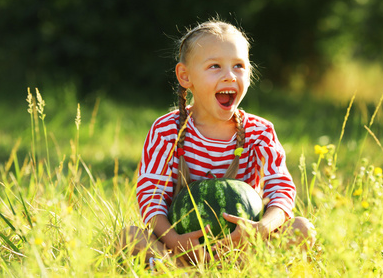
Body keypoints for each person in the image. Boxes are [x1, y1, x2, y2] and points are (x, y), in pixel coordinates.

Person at [118, 19, 316, 266]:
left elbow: (282, 189)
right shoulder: (167, 130)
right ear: (185, 75)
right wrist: (173, 240)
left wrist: (261, 229)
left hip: (246, 245)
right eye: (215, 66)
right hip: (181, 247)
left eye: (239, 66)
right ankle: (181, 271)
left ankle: (241, 268)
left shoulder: (260, 132)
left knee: (301, 228)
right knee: (128, 237)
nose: (230, 76)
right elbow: (151, 195)